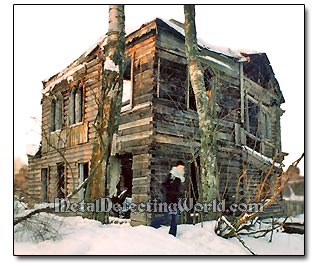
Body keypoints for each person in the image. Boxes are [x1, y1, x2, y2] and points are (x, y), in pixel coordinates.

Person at [150, 160, 186, 237]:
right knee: (167, 217)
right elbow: (163, 185)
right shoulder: (171, 175)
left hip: (175, 200)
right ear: (177, 167)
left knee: (175, 218)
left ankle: (172, 235)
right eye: (180, 167)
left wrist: (180, 194)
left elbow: (178, 189)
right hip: (168, 199)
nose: (181, 168)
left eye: (182, 167)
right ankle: (152, 226)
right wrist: (167, 192)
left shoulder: (181, 178)